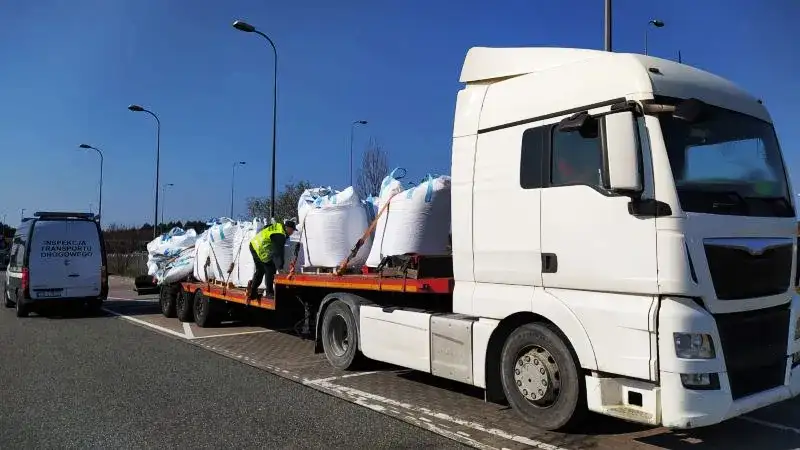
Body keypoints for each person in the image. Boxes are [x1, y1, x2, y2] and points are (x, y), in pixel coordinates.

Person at [248, 219, 296, 299]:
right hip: (260, 247)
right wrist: (280, 267)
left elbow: (266, 227)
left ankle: (252, 292)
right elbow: (278, 252)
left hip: (254, 244)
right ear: (287, 228)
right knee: (270, 268)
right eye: (292, 230)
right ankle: (269, 293)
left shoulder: (278, 227)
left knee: (260, 269)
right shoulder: (280, 235)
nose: (292, 232)